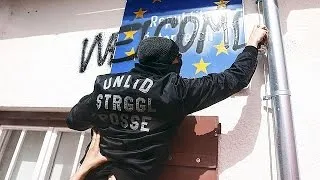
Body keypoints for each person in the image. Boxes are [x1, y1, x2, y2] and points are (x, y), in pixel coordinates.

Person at [66, 25, 268, 180]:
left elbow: (74, 121)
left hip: (90, 171)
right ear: (172, 62)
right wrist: (252, 43)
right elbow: (235, 79)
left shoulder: (105, 84)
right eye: (178, 58)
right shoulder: (176, 91)